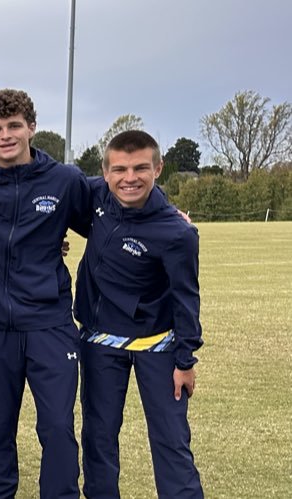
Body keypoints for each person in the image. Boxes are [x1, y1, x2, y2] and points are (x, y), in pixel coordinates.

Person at [0, 89, 92, 499]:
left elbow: (111, 209)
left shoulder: (65, 181)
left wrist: (163, 209)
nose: (6, 135)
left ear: (32, 127)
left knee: (57, 428)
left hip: (49, 325)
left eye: (14, 125)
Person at [76, 130, 203, 498]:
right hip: (100, 343)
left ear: (158, 168)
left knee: (171, 441)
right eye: (119, 169)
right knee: (98, 439)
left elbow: (186, 299)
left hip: (159, 347)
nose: (129, 178)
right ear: (104, 172)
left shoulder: (177, 232)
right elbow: (50, 181)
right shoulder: (97, 195)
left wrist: (185, 359)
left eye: (140, 168)